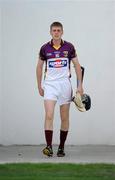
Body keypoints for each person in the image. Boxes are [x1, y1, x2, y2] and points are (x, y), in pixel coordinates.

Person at [36, 22, 83, 157]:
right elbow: (39, 67)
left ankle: (61, 147)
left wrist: (80, 85)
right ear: (50, 32)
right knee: (49, 115)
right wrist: (39, 86)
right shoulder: (45, 48)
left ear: (62, 32)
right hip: (50, 85)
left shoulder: (69, 47)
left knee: (64, 117)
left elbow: (77, 66)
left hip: (65, 85)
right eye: (54, 30)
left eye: (58, 30)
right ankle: (49, 147)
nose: (56, 32)